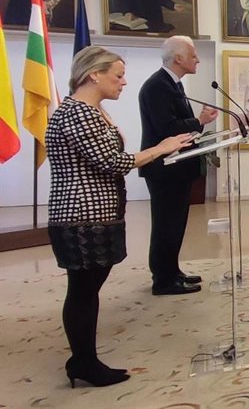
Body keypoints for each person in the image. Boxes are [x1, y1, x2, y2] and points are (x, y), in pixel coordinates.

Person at [47, 47, 193, 388]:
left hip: (94, 213)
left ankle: (83, 358)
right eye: (118, 75)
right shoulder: (78, 113)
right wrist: (160, 148)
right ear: (94, 74)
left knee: (87, 289)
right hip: (82, 216)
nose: (124, 82)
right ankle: (83, 362)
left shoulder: (90, 110)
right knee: (83, 291)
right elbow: (112, 162)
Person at [139, 36, 218, 296]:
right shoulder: (157, 86)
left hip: (177, 168)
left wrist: (198, 122)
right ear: (179, 58)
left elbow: (179, 124)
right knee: (165, 225)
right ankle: (163, 280)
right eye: (193, 55)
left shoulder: (173, 84)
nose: (197, 59)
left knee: (175, 224)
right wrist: (199, 121)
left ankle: (172, 272)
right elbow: (168, 129)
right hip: (165, 168)